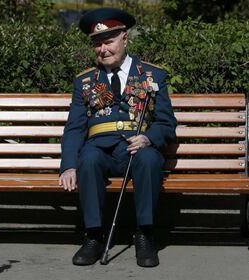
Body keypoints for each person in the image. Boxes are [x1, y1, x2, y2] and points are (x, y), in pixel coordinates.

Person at [59, 8, 177, 267]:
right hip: (100, 151)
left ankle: (145, 234)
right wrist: (68, 164)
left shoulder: (152, 75)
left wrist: (148, 139)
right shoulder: (86, 81)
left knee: (148, 159)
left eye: (109, 41)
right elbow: (75, 128)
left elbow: (166, 123)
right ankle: (93, 235)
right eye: (97, 44)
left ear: (124, 38)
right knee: (87, 159)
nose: (103, 49)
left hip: (136, 149)